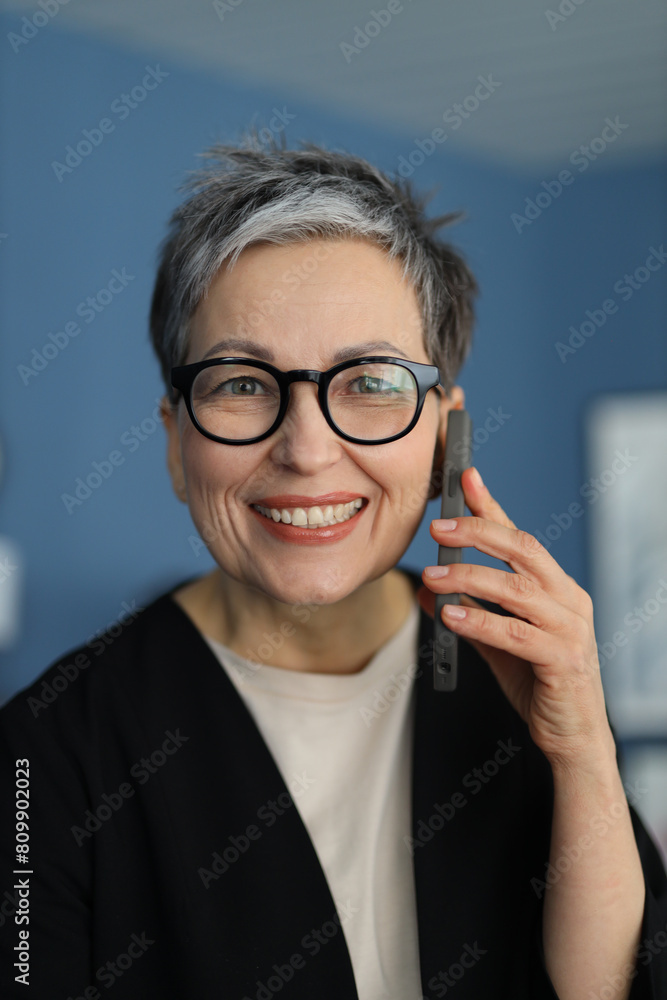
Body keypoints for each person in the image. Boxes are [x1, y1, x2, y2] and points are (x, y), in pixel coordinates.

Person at [1, 134, 666, 1000]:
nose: (308, 450)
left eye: (371, 382)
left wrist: (581, 753)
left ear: (443, 434)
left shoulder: (522, 680)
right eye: (240, 383)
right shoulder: (43, 752)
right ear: (174, 445)